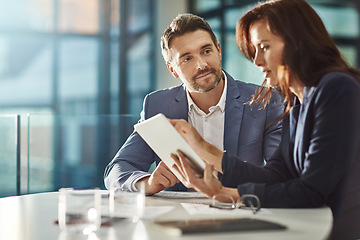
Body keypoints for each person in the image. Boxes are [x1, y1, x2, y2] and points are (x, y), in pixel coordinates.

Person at [169, 1, 360, 239]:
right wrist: (201, 147)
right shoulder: (297, 99)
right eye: (254, 50)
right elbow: (278, 174)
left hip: (336, 230)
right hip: (306, 226)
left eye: (264, 47)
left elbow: (311, 191)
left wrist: (229, 195)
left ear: (297, 43)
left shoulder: (337, 88)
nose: (257, 61)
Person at [104, 13, 283, 195]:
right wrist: (148, 183)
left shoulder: (264, 99)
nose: (201, 65)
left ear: (218, 50)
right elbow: (117, 169)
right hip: (180, 216)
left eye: (206, 51)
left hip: (241, 209)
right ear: (173, 69)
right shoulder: (157, 105)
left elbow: (280, 176)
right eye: (187, 58)